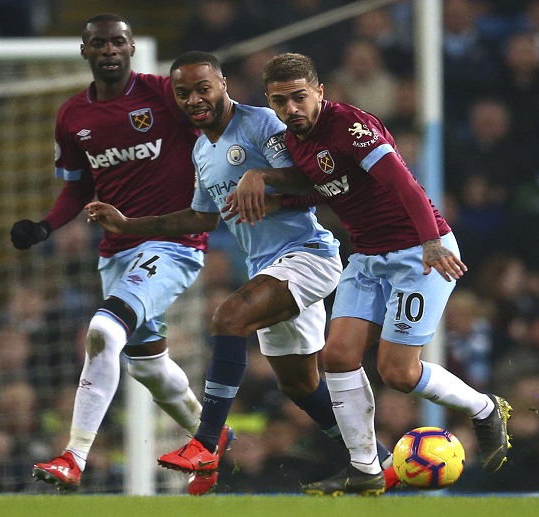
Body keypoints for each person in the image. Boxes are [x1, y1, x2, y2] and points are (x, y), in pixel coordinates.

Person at [86, 50, 398, 495]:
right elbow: (202, 218)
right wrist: (129, 224)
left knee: (228, 319)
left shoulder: (262, 124)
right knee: (298, 384)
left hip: (307, 254)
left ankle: (206, 443)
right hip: (266, 267)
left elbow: (315, 181)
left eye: (202, 88)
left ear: (223, 85)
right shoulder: (201, 149)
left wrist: (260, 175)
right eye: (183, 93)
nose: (194, 99)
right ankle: (377, 462)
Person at [226, 52, 513, 495]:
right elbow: (322, 191)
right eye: (280, 101)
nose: (291, 109)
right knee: (337, 355)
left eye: (299, 97)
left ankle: (483, 408)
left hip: (419, 252)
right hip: (367, 257)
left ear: (319, 92)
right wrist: (269, 193)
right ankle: (365, 468)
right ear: (270, 101)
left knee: (398, 372)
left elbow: (403, 182)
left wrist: (432, 240)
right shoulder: (296, 141)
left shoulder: (349, 127)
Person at [9, 14, 210, 493]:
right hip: (117, 251)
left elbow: (219, 120)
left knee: (102, 329)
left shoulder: (164, 93)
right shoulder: (72, 117)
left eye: (118, 41)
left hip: (173, 244)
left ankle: (73, 456)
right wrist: (45, 226)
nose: (109, 50)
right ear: (85, 52)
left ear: (132, 47)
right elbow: (77, 189)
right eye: (99, 43)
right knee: (149, 367)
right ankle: (214, 439)